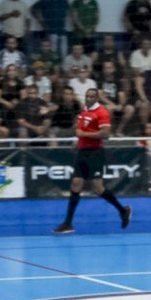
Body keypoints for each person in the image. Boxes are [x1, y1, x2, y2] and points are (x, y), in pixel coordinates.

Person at [53, 88, 132, 235]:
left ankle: (123, 210)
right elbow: (82, 131)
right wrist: (79, 141)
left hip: (96, 153)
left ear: (96, 98)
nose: (88, 98)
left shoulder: (101, 112)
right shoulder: (84, 111)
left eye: (91, 96)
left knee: (98, 188)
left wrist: (84, 134)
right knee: (76, 184)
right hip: (83, 152)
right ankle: (68, 223)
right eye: (87, 96)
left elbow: (106, 134)